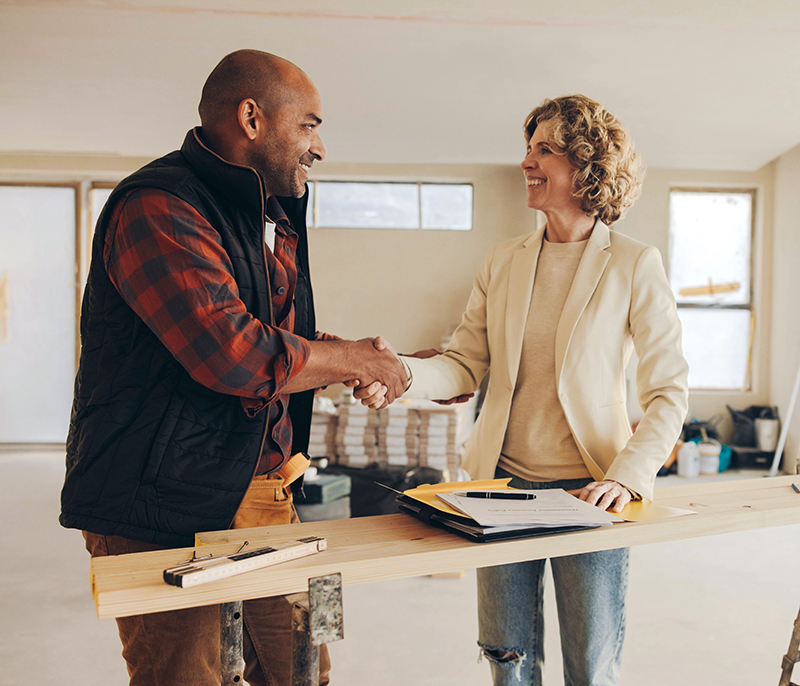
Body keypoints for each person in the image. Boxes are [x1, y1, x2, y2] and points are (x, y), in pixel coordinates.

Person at [60, 49, 405, 686]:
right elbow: (232, 351)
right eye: (309, 124)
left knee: (307, 667)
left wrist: (359, 359)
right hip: (161, 505)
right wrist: (349, 360)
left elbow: (279, 335)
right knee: (190, 677)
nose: (320, 146)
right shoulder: (157, 206)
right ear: (252, 116)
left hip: (268, 493)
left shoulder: (264, 215)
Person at [376, 95, 689, 685]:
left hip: (591, 495)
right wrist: (400, 374)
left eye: (544, 148)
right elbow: (464, 365)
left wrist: (627, 476)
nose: (526, 161)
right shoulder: (503, 261)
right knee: (507, 663)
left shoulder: (633, 264)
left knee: (590, 668)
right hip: (500, 490)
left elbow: (669, 390)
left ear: (588, 165)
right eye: (528, 147)